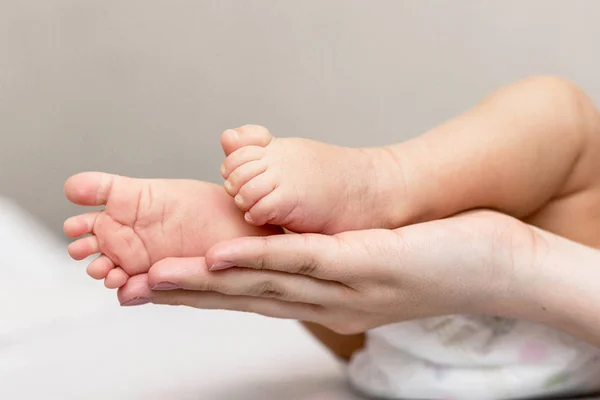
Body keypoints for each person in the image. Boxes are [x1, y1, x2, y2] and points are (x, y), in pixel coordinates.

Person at [63, 76, 600, 399]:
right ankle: (258, 245)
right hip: (541, 363)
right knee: (330, 275)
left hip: (423, 344)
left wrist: (511, 256)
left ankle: (383, 181)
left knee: (564, 116)